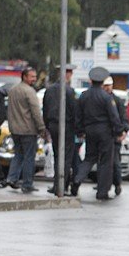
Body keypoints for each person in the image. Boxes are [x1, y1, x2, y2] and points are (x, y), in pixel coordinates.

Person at [72, 67, 122, 200]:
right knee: (105, 162)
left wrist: (80, 131)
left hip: (89, 131)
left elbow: (78, 116)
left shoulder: (83, 95)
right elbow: (114, 116)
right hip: (105, 132)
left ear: (91, 80)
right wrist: (118, 131)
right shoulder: (106, 97)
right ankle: (102, 192)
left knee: (89, 158)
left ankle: (77, 179)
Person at [6, 66, 46, 193]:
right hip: (28, 130)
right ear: (24, 77)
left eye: (35, 76)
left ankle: (12, 178)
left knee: (18, 154)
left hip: (14, 128)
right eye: (32, 76)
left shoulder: (12, 90)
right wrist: (41, 128)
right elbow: (35, 112)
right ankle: (27, 183)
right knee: (29, 157)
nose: (34, 79)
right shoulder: (29, 91)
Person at [43, 64, 79, 196]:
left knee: (57, 155)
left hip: (53, 125)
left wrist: (47, 127)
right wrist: (77, 128)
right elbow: (74, 111)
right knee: (66, 157)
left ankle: (56, 185)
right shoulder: (69, 91)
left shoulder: (49, 90)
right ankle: (62, 186)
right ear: (68, 74)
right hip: (66, 126)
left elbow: (45, 110)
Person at [103, 76, 128, 196]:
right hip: (106, 136)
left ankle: (117, 184)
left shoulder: (117, 100)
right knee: (104, 163)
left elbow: (123, 118)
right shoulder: (103, 99)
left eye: (109, 85)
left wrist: (123, 132)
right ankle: (104, 185)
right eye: (105, 85)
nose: (107, 88)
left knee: (115, 162)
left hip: (115, 136)